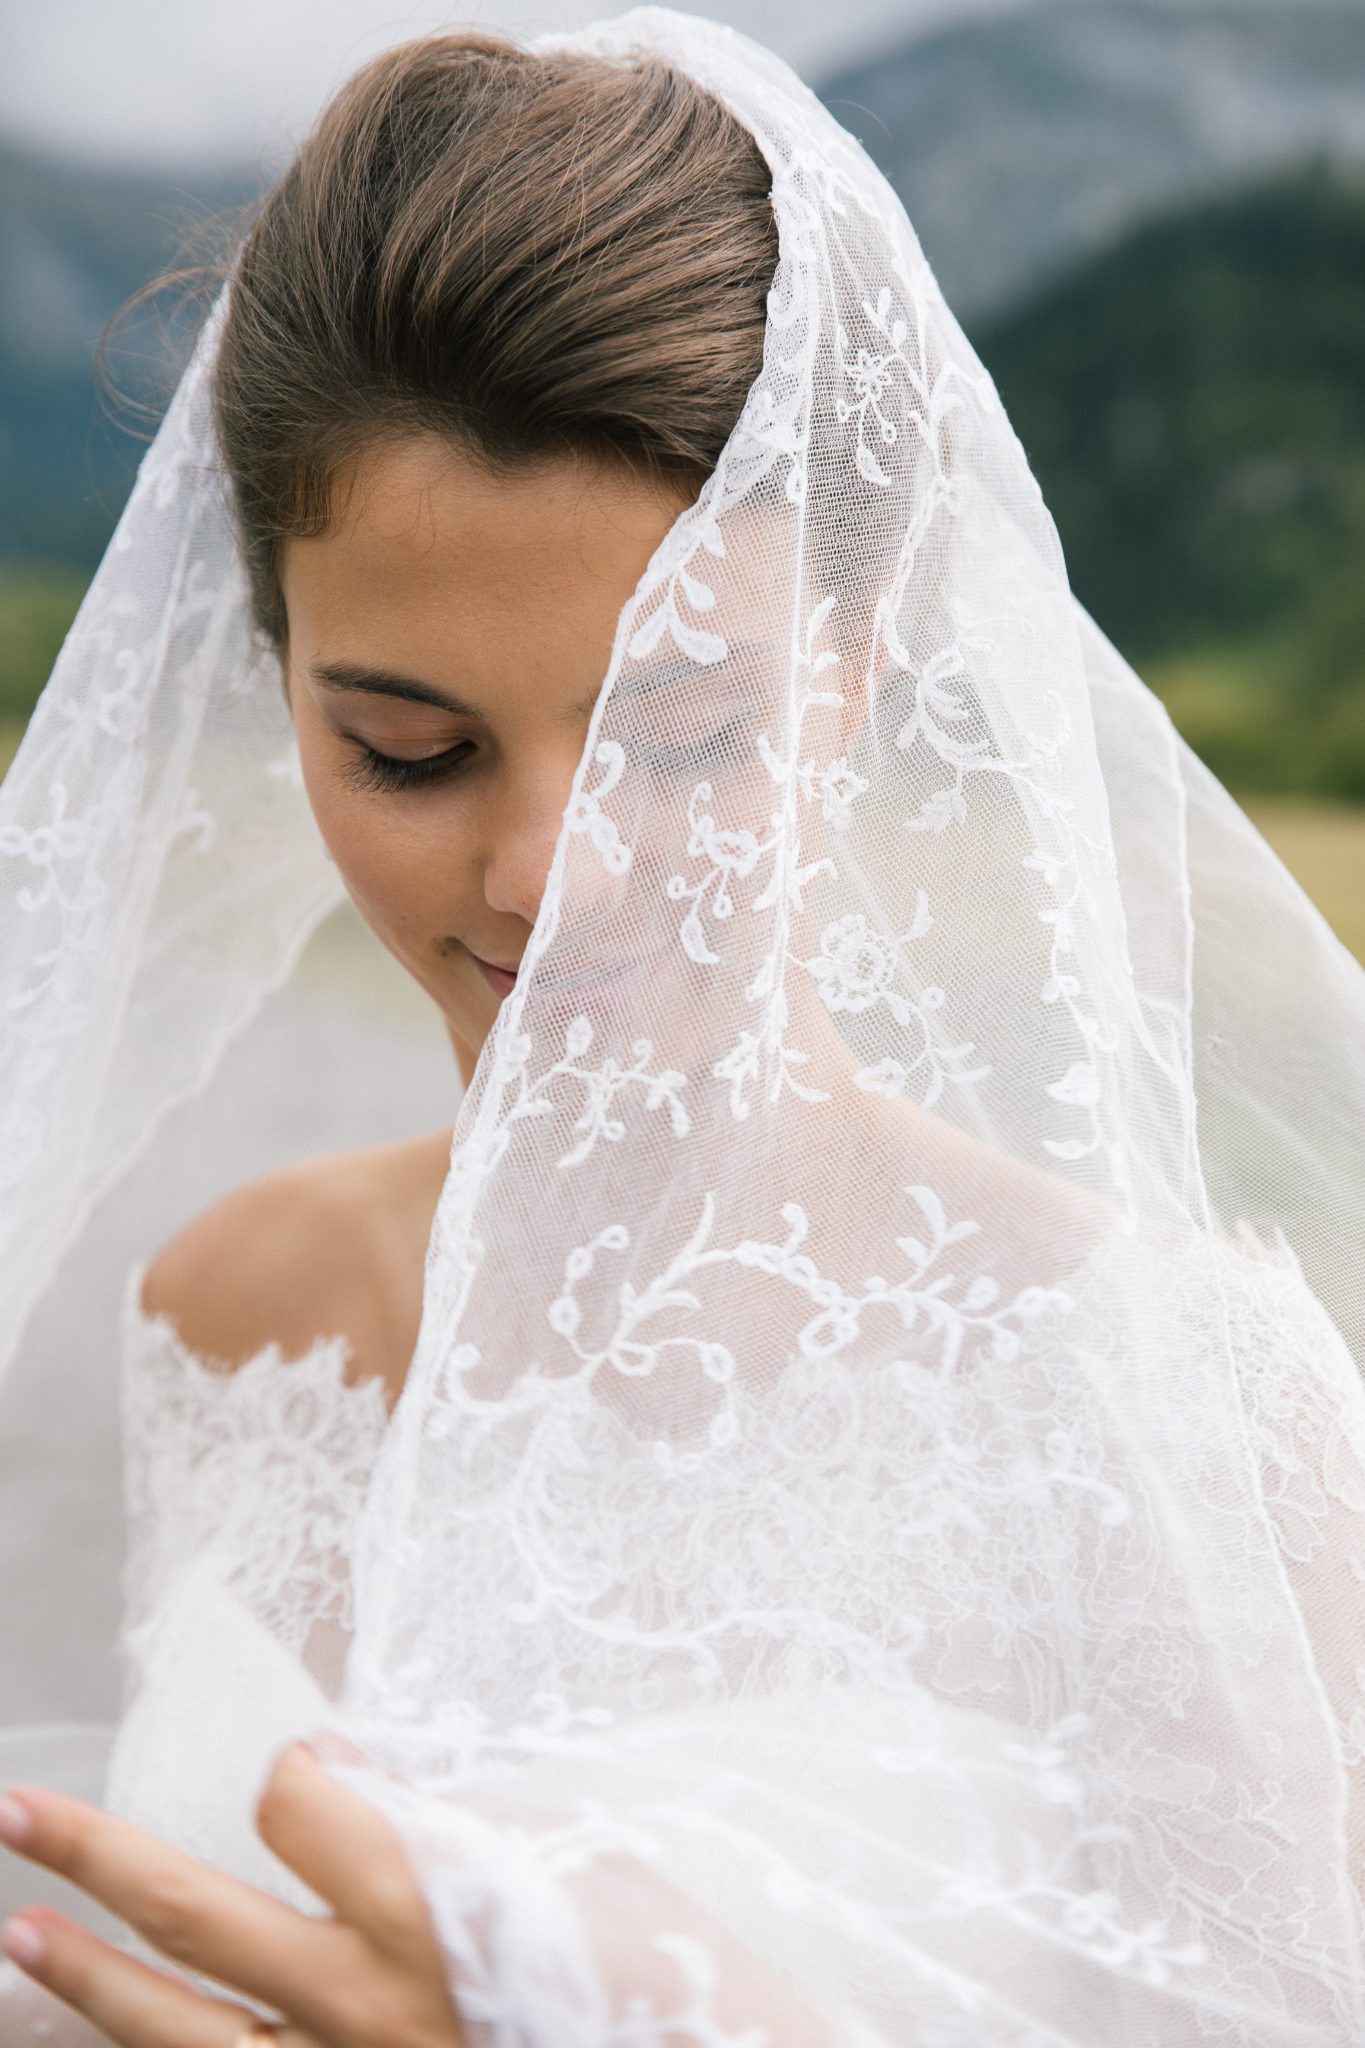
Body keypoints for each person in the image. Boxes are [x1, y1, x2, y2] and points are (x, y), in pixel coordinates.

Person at [1, 9, 1364, 2044]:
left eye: (680, 726)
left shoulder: (1174, 1414)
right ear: (274, 682)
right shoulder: (232, 1316)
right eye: (407, 746)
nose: (547, 871)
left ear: (864, 653)